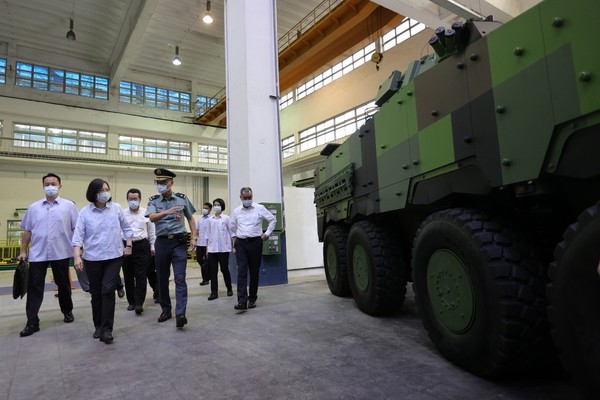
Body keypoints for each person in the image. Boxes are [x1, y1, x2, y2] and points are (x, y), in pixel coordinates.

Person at [17, 173, 79, 337]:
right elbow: (27, 231)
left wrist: (78, 251)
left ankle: (67, 311)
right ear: (43, 186)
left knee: (63, 285)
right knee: (34, 287)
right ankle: (32, 322)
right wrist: (23, 250)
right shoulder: (34, 207)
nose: (50, 186)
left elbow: (76, 229)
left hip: (61, 252)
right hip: (38, 254)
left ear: (60, 185)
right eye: (47, 184)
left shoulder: (69, 206)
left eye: (53, 183)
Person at [72, 179, 134, 344]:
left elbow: (127, 228)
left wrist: (128, 244)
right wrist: (77, 256)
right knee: (96, 293)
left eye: (107, 189)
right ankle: (98, 326)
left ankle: (107, 329)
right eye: (101, 190)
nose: (105, 192)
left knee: (108, 290)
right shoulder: (85, 212)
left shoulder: (116, 209)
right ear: (93, 193)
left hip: (114, 257)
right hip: (92, 259)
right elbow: (78, 236)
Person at [146, 168, 197, 328]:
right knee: (162, 279)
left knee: (180, 278)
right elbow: (152, 217)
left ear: (171, 183)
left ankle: (180, 313)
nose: (160, 185)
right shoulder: (154, 200)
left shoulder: (182, 199)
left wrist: (194, 236)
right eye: (158, 182)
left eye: (163, 182)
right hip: (162, 244)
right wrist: (167, 211)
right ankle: (165, 310)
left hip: (178, 243)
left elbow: (190, 218)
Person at [230, 187, 276, 311]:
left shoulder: (259, 208)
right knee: (242, 272)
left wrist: (267, 234)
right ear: (240, 197)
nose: (247, 200)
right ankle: (242, 301)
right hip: (241, 244)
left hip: (256, 243)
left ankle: (252, 298)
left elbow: (272, 219)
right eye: (245, 198)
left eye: (249, 198)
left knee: (254, 272)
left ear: (252, 196)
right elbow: (232, 227)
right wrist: (234, 243)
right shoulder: (236, 211)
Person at [122, 188, 156, 315]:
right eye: (131, 199)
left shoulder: (146, 213)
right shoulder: (122, 213)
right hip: (126, 246)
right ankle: (131, 301)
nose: (133, 201)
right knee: (128, 275)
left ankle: (139, 303)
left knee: (141, 275)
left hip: (142, 246)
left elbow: (152, 231)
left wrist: (153, 246)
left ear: (140, 199)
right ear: (127, 199)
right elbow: (119, 230)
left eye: (135, 199)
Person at [205, 198, 233, 301]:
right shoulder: (210, 220)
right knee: (213, 271)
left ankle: (229, 288)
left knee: (224, 269)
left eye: (218, 205)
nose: (216, 206)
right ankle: (214, 292)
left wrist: (233, 246)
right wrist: (207, 249)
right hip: (212, 249)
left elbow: (231, 233)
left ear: (222, 206)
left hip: (223, 249)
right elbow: (207, 235)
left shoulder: (226, 218)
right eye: (215, 205)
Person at [196, 202, 212, 286]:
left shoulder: (212, 219)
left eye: (206, 208)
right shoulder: (200, 219)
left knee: (206, 262)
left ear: (210, 209)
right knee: (199, 259)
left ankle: (205, 279)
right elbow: (197, 230)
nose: (204, 209)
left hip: (208, 244)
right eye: (203, 208)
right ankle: (207, 275)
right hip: (200, 243)